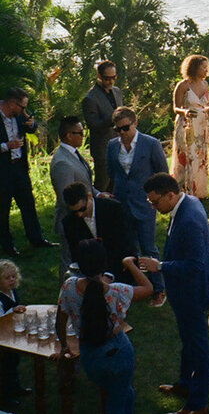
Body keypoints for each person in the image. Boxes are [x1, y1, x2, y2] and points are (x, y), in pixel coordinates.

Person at [55, 239, 159, 414]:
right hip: (117, 356)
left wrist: (65, 346)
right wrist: (129, 264)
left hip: (91, 358)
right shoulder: (117, 292)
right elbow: (148, 287)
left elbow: (60, 321)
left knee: (125, 395)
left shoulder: (69, 287)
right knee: (115, 410)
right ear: (104, 265)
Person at [140, 173, 209, 414]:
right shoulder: (189, 203)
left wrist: (159, 266)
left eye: (155, 202)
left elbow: (195, 264)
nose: (153, 207)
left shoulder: (190, 220)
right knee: (188, 340)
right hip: (186, 291)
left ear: (170, 195)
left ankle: (197, 403)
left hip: (192, 293)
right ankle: (185, 383)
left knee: (197, 346)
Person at [106, 107, 168, 304]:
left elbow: (162, 174)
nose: (122, 133)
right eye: (118, 130)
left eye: (125, 128)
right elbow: (111, 172)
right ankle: (135, 286)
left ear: (135, 123)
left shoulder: (150, 144)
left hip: (145, 203)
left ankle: (158, 288)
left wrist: (157, 199)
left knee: (148, 247)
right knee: (127, 247)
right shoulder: (112, 146)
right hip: (121, 203)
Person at [1, 87, 53, 257]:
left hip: (19, 167)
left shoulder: (19, 115)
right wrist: (6, 146)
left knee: (28, 204)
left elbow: (31, 126)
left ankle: (37, 239)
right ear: (11, 103)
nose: (24, 111)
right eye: (22, 107)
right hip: (3, 169)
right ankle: (7, 246)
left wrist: (32, 123)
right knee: (3, 208)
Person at [50, 116, 98, 277]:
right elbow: (67, 197)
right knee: (69, 262)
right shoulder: (63, 162)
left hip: (82, 216)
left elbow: (85, 183)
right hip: (71, 220)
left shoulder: (73, 153)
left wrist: (98, 194)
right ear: (69, 135)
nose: (83, 136)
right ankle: (67, 294)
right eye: (80, 133)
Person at [62, 181, 129, 281]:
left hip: (118, 268)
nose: (79, 215)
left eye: (82, 209)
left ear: (89, 196)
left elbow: (123, 244)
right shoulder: (69, 222)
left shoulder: (112, 209)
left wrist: (109, 275)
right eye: (74, 211)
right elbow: (76, 253)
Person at [171, 55, 209, 199]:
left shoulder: (205, 85)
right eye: (203, 67)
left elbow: (205, 104)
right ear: (194, 67)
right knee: (187, 156)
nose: (205, 69)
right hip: (187, 124)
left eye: (206, 67)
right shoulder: (183, 85)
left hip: (202, 124)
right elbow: (176, 108)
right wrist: (185, 111)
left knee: (201, 157)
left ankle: (199, 191)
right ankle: (184, 191)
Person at [81, 61, 123, 191]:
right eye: (107, 78)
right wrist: (114, 118)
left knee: (120, 184)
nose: (111, 82)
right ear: (99, 76)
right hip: (102, 148)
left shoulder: (116, 92)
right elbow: (93, 124)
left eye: (113, 78)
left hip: (120, 144)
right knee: (103, 185)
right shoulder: (90, 98)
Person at [0, 260, 30, 411]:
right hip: (2, 337)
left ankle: (16, 387)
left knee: (14, 361)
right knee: (5, 367)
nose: (11, 280)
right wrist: (13, 311)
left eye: (13, 276)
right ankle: (6, 396)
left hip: (12, 333)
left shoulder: (12, 292)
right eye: (7, 278)